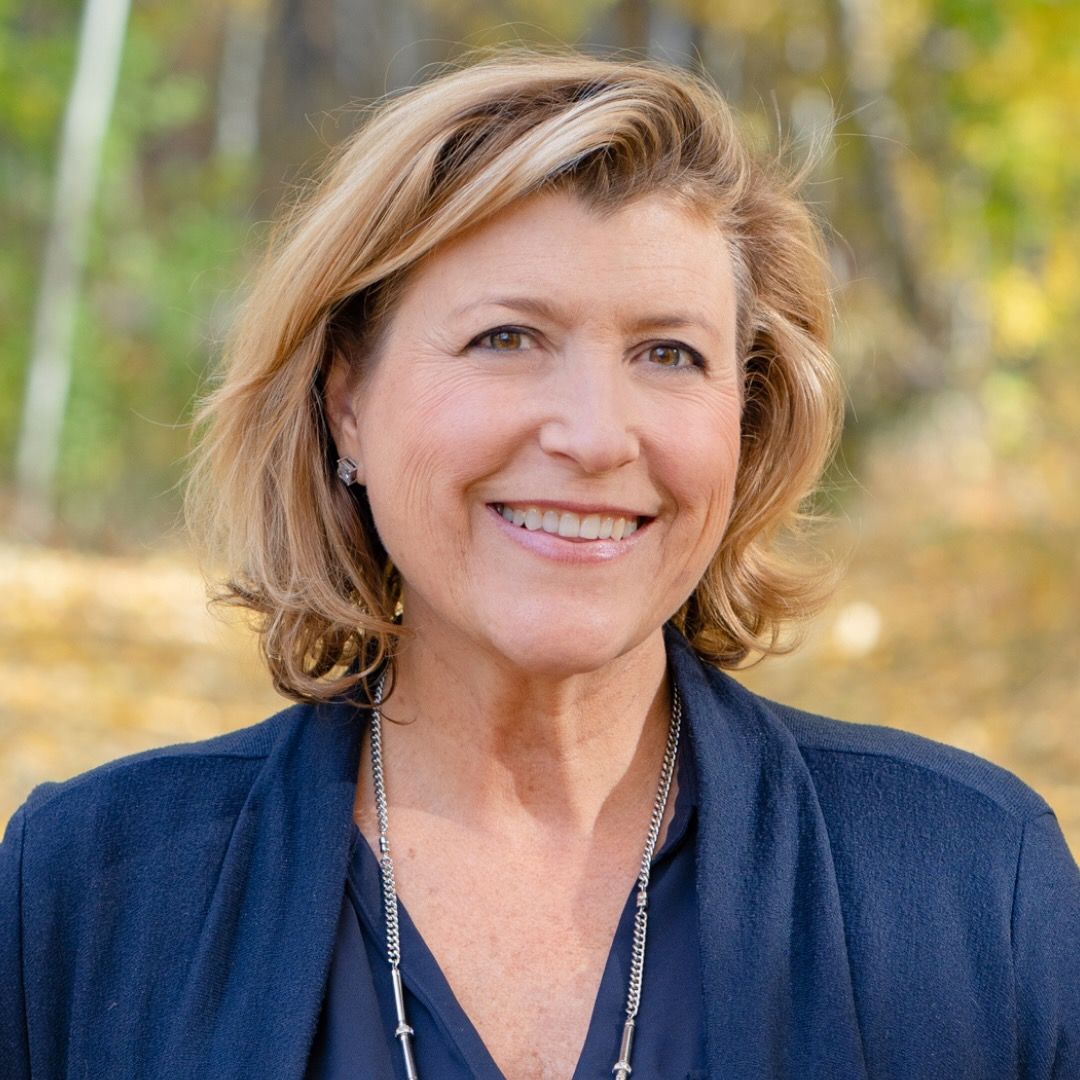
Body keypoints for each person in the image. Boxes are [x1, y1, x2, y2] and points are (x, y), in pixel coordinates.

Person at [2, 49, 1077, 1080]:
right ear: (347, 405)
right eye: (508, 338)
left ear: (743, 423)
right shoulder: (89, 892)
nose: (597, 435)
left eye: (669, 353)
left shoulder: (974, 891)